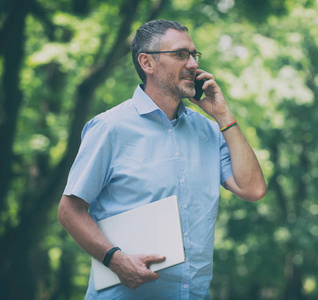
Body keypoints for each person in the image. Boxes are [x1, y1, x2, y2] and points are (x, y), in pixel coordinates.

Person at [58, 19, 267, 299]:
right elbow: (69, 210)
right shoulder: (110, 128)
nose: (193, 63)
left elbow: (252, 189)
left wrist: (223, 116)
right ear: (147, 63)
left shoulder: (207, 130)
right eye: (180, 54)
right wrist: (117, 261)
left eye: (194, 55)